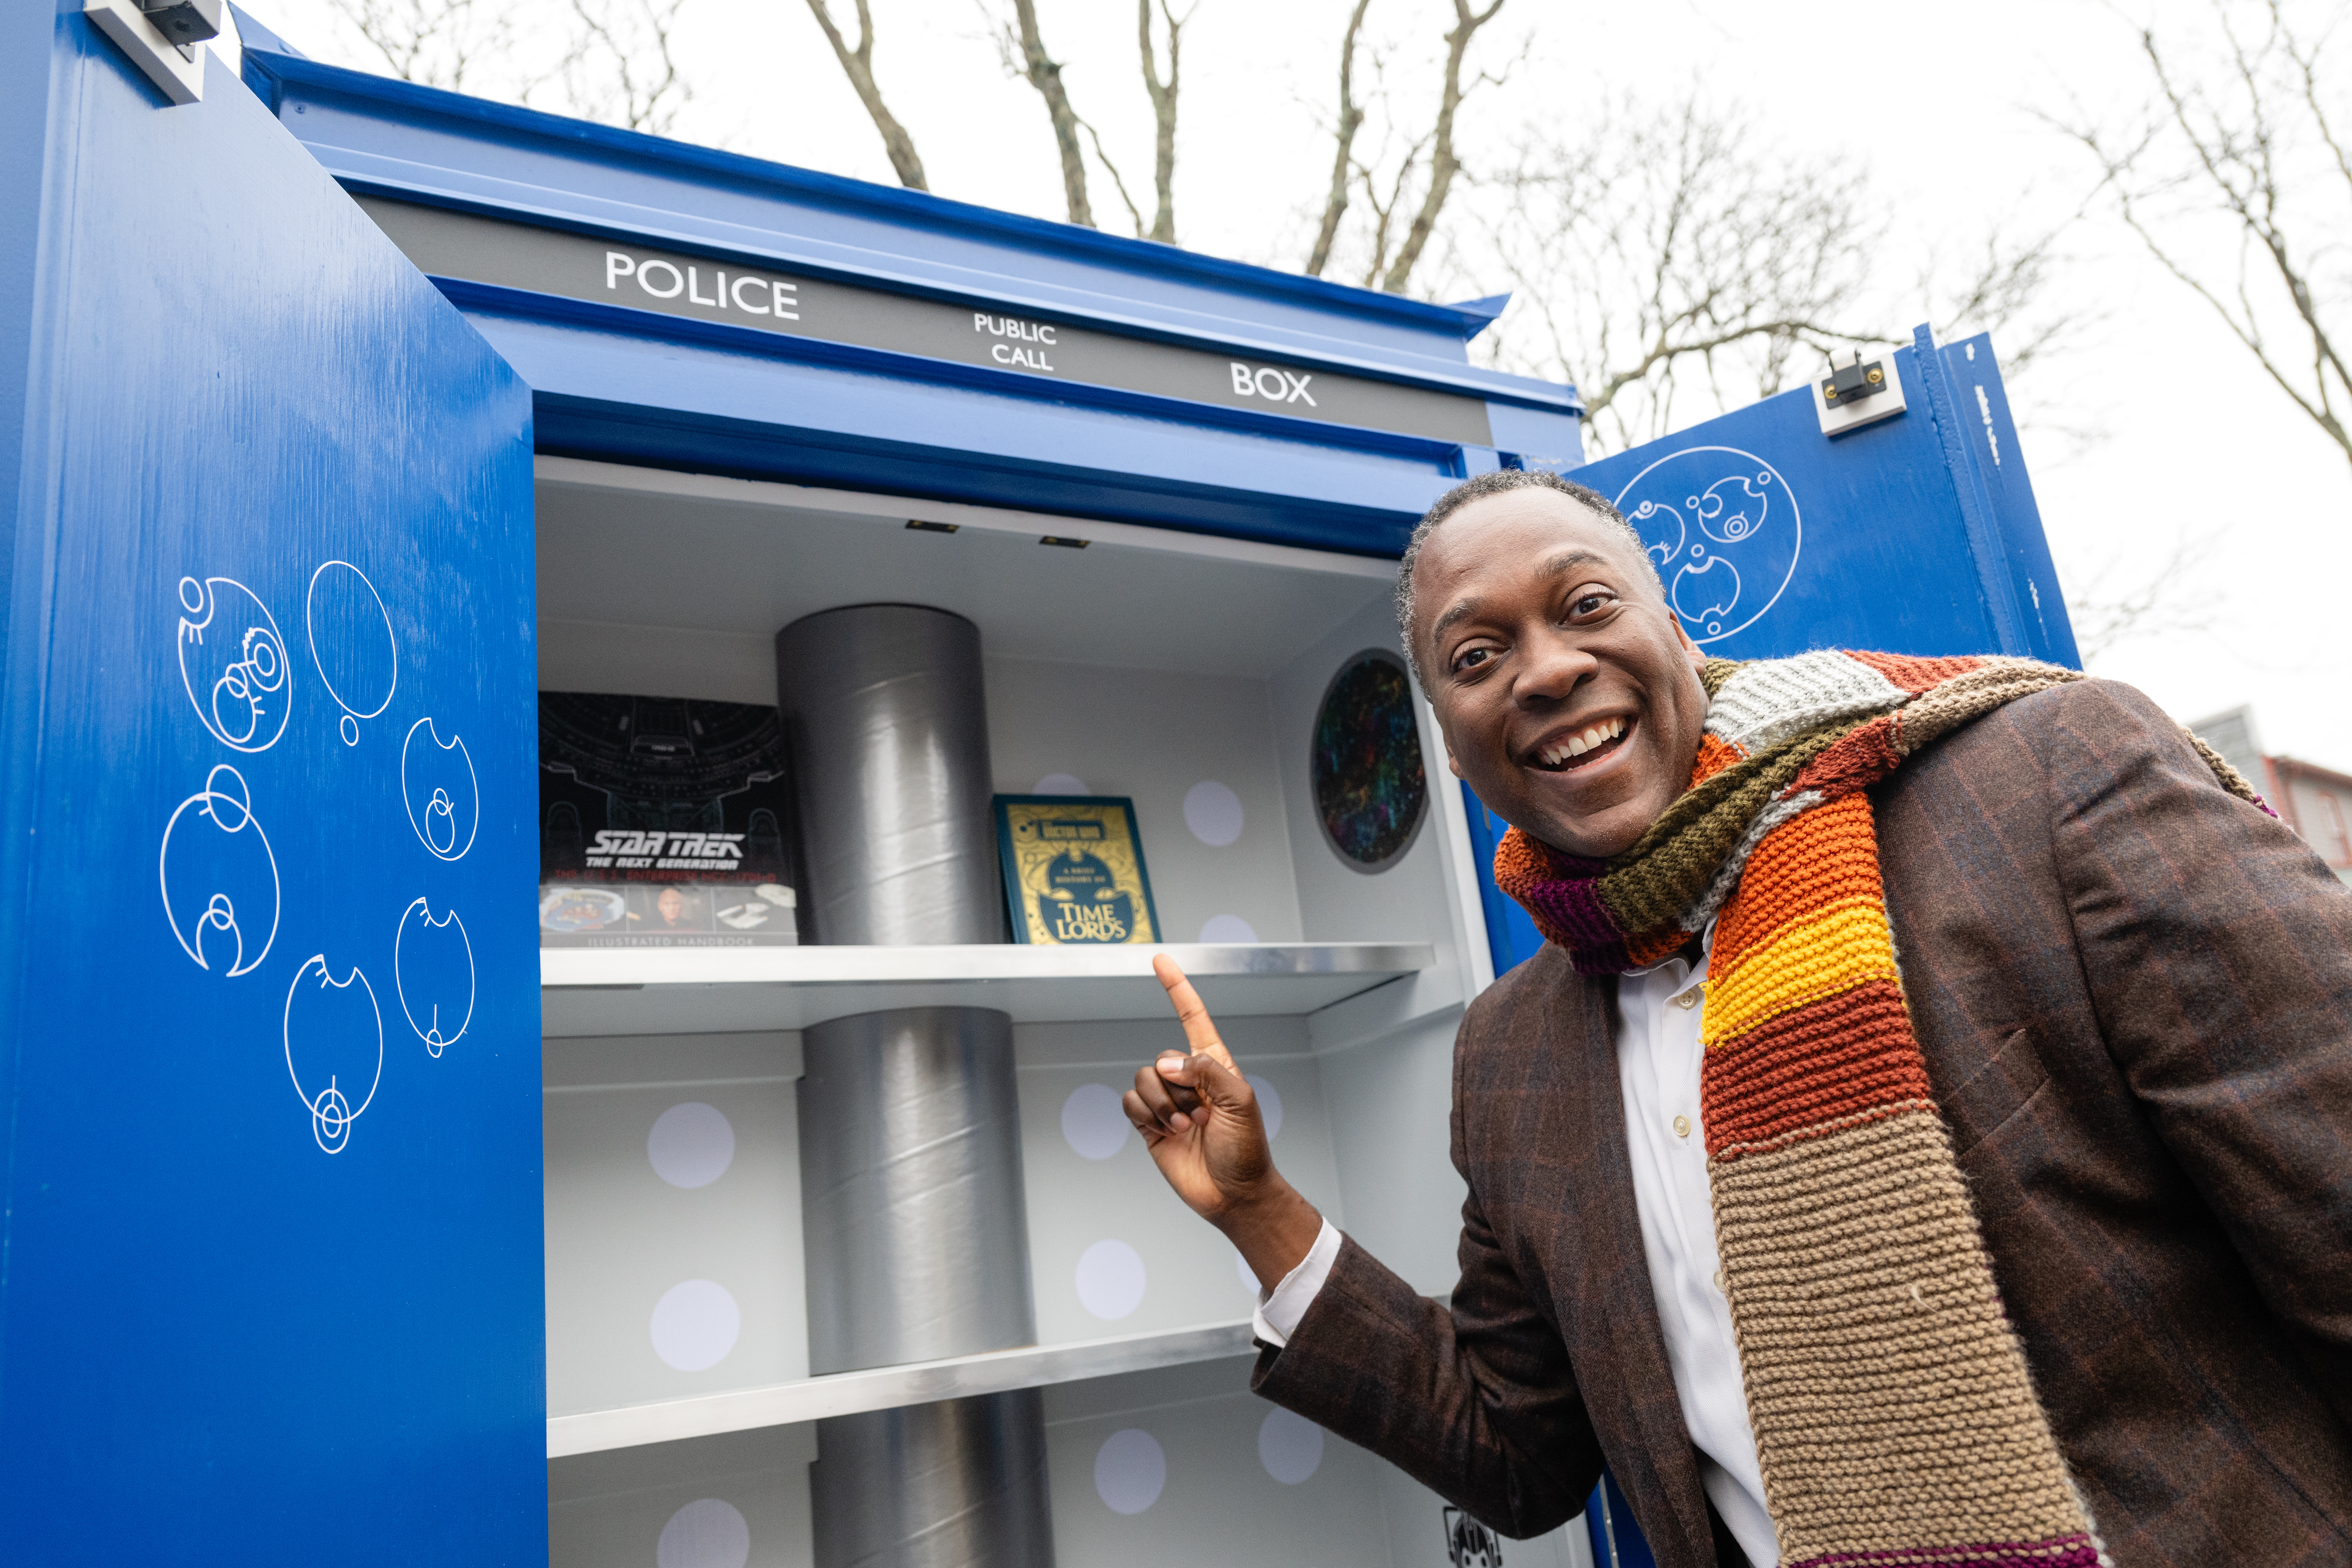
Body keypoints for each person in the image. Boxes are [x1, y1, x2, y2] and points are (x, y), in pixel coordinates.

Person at [1125, 470, 2352, 1568]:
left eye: (1586, 604)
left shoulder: (2042, 783)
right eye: (1475, 655)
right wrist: (1259, 1213)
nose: (1546, 669)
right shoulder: (1508, 1057)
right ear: (1451, 744)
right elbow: (1519, 1453)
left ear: (1676, 630)